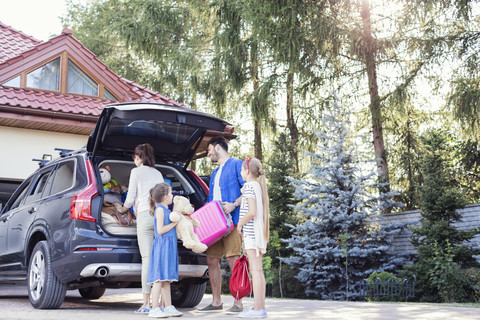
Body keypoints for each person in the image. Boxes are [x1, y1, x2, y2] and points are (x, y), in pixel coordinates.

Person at [197, 137, 245, 314]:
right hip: (215, 224)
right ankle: (216, 302)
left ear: (218, 147)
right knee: (211, 259)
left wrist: (234, 204)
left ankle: (238, 303)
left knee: (233, 259)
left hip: (232, 221)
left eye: (209, 149)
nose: (208, 153)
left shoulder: (236, 164)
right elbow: (211, 200)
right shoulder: (216, 173)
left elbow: (247, 189)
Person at [119, 143, 164, 314]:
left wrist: (122, 209)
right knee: (157, 259)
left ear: (138, 157)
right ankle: (158, 302)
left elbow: (130, 198)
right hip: (159, 215)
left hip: (144, 216)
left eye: (134, 157)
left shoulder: (136, 171)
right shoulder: (158, 173)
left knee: (147, 259)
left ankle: (146, 303)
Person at [236, 157, 270, 319]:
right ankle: (260, 307)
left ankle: (257, 309)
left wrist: (239, 224)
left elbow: (252, 212)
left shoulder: (249, 186)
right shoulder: (257, 186)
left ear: (247, 171)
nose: (241, 172)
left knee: (255, 271)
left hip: (251, 234)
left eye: (242, 170)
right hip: (257, 235)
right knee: (258, 271)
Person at [147, 183, 183, 318]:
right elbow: (161, 230)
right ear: (165, 196)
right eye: (171, 193)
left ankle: (168, 307)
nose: (173, 195)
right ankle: (154, 308)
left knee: (166, 279)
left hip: (169, 247)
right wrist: (174, 224)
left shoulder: (167, 210)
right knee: (158, 279)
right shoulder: (160, 210)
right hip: (162, 247)